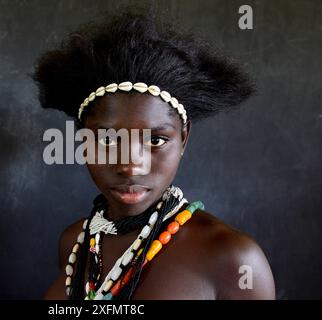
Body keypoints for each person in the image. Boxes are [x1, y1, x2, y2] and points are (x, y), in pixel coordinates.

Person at [31, 6, 275, 300]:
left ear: (183, 140)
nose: (131, 167)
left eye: (156, 140)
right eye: (108, 140)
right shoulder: (75, 243)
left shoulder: (234, 261)